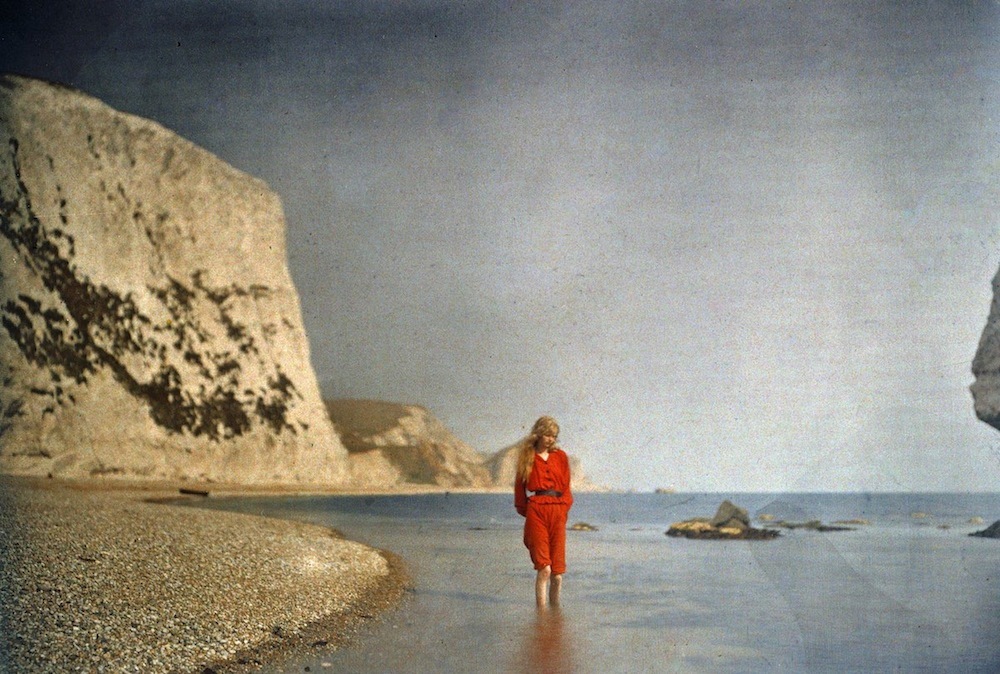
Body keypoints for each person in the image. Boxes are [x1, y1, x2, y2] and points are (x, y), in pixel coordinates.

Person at [514, 415, 573, 607]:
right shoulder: (527, 456)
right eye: (547, 434)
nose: (551, 439)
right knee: (544, 569)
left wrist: (563, 509)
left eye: (554, 436)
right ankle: (541, 617)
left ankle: (555, 618)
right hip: (537, 510)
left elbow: (566, 487)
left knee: (557, 574)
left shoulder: (561, 457)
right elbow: (519, 488)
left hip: (557, 511)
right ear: (539, 434)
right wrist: (528, 511)